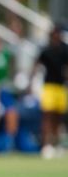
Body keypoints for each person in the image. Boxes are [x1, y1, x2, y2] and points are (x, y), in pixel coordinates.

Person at [32, 27, 68, 159]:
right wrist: (31, 81)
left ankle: (56, 144)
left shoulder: (64, 50)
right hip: (49, 87)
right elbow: (36, 63)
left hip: (61, 87)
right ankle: (46, 145)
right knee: (47, 117)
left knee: (58, 118)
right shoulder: (46, 50)